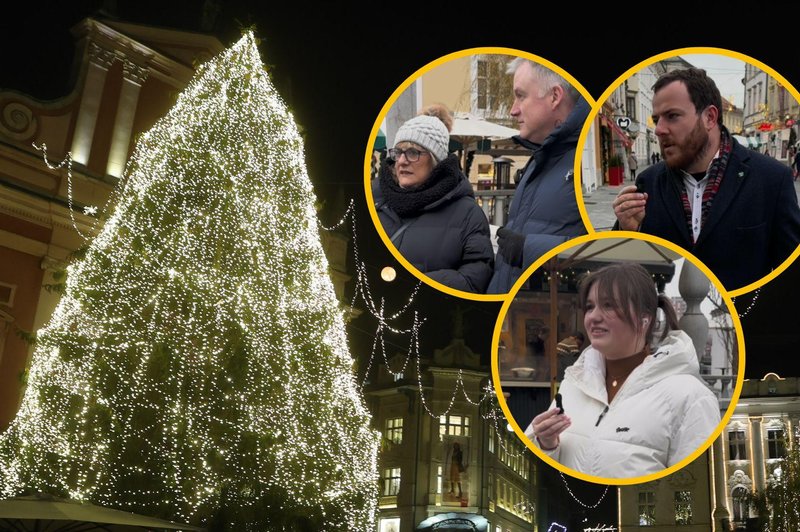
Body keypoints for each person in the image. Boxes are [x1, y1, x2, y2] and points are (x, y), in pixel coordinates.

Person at [524, 263, 720, 478]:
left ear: (644, 319)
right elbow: (542, 479)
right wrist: (546, 444)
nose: (593, 316)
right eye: (590, 307)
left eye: (608, 305)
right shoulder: (575, 382)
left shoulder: (691, 397)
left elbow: (696, 485)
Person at [613, 68, 800, 291]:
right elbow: (625, 272)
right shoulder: (649, 183)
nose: (659, 129)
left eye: (672, 116)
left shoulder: (770, 179)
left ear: (710, 117)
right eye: (656, 119)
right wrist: (629, 230)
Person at [487, 59, 589, 293]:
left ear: (555, 96)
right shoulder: (539, 159)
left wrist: (527, 248)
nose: (513, 110)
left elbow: (603, 252)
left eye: (521, 96)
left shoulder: (579, 161)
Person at [373, 105, 494, 293]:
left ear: (435, 160)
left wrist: (415, 285)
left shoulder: (468, 214)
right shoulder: (375, 198)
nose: (402, 161)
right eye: (398, 152)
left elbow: (475, 279)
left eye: (413, 152)